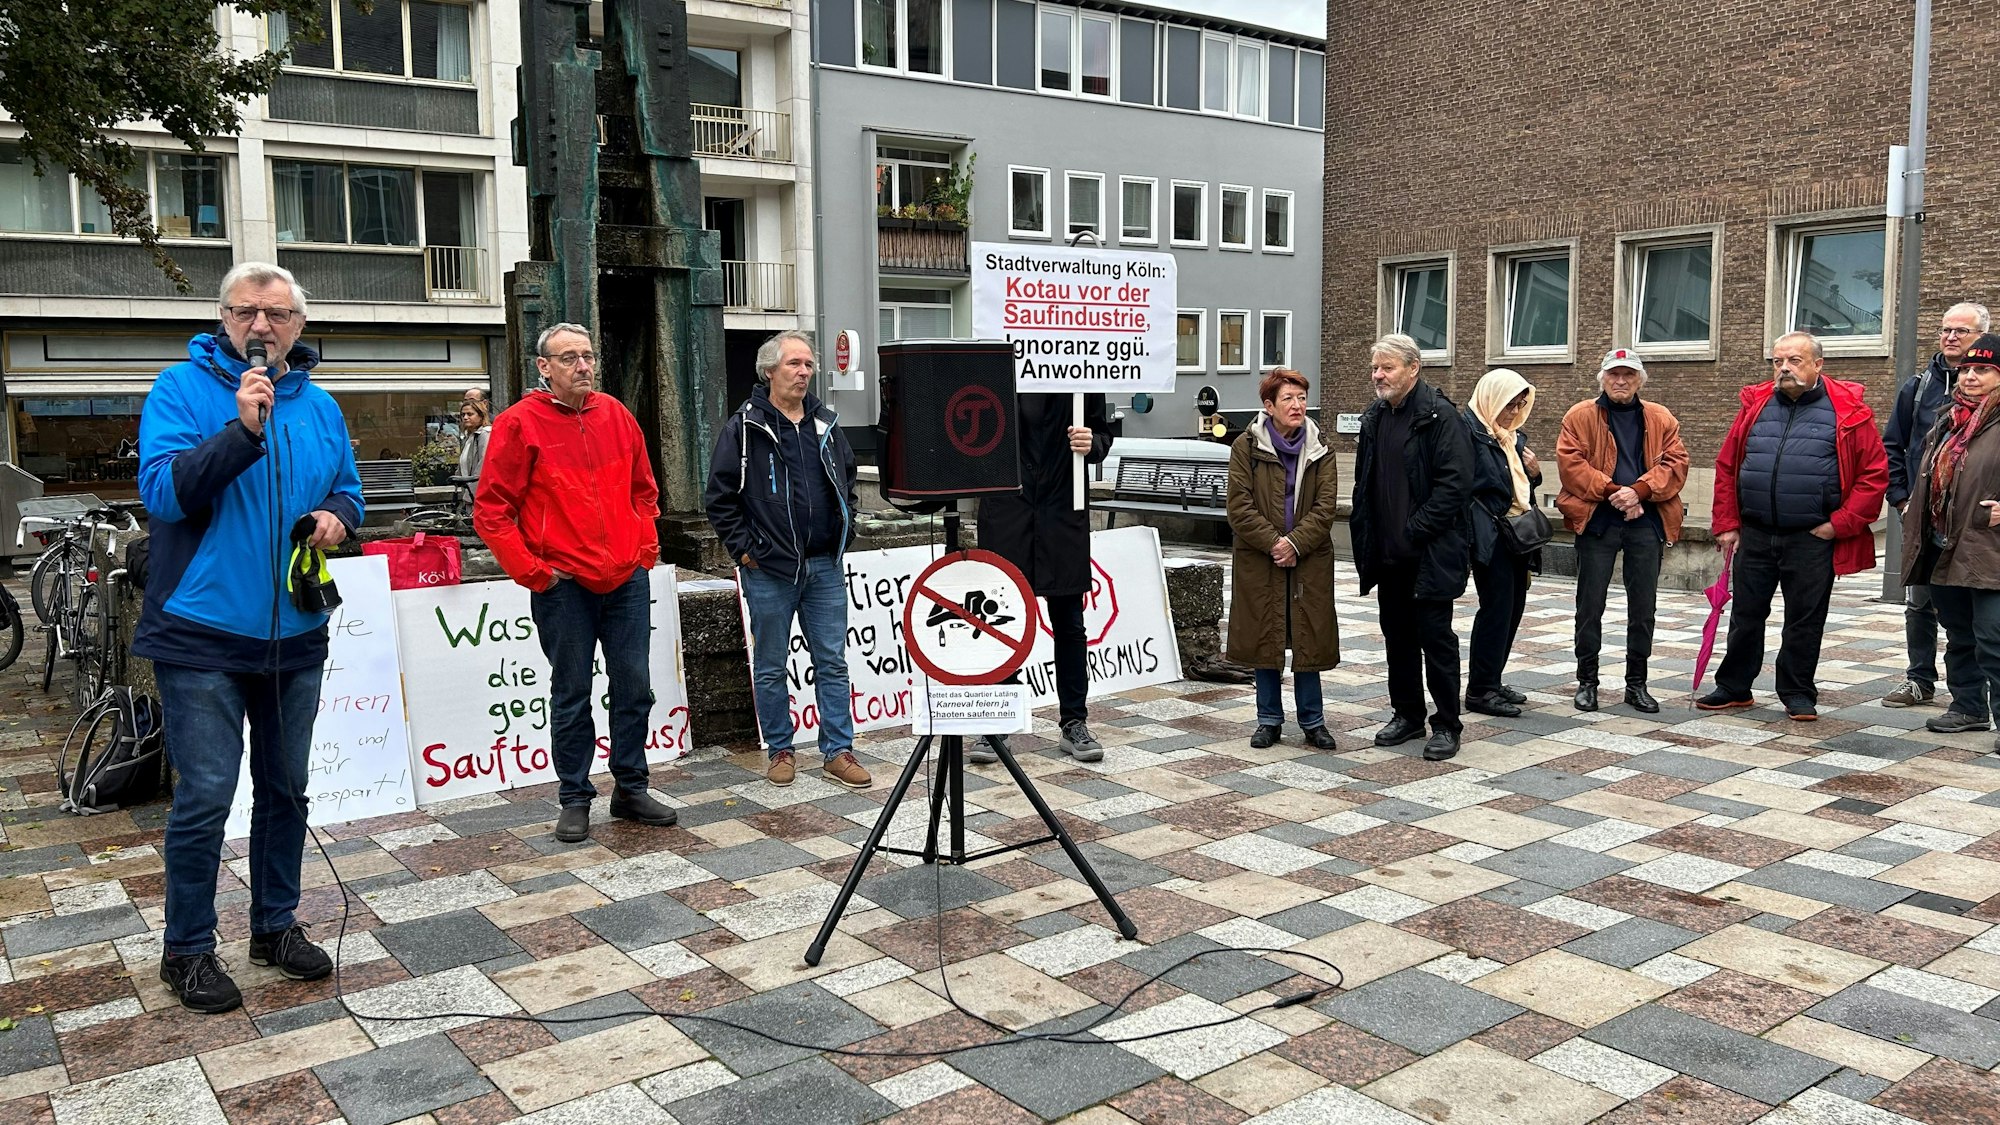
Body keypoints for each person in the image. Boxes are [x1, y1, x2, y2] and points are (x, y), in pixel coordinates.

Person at [134, 261, 363, 1013]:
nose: (261, 326)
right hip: (201, 633)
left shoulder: (322, 406)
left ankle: (274, 925)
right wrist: (241, 429)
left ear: (298, 325)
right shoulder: (179, 389)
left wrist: (337, 516)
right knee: (203, 796)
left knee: (287, 788)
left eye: (276, 314)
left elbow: (349, 492)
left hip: (294, 630)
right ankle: (188, 949)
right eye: (246, 312)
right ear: (223, 319)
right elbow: (164, 492)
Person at [474, 323, 678, 842]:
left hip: (624, 576)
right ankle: (574, 795)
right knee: (571, 692)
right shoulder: (518, 424)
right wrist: (535, 572)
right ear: (544, 367)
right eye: (569, 358)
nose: (582, 366)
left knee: (633, 685)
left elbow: (644, 489)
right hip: (563, 584)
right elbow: (492, 511)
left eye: (587, 356)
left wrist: (644, 549)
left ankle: (630, 786)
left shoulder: (616, 414)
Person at [703, 330, 872, 789]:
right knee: (772, 665)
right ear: (769, 371)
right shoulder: (745, 427)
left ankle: (838, 750)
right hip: (770, 571)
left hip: (823, 566)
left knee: (833, 662)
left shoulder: (826, 422)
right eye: (794, 364)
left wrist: (846, 527)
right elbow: (719, 498)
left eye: (808, 365)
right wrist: (744, 549)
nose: (804, 372)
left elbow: (848, 483)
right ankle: (780, 749)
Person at [1700, 331, 1888, 721]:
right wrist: (1727, 522)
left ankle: (1798, 691)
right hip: (1755, 532)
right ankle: (1734, 687)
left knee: (1804, 619)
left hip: (1811, 536)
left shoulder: (1849, 411)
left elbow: (1873, 474)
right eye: (1777, 361)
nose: (1784, 368)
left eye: (1794, 360)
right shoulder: (1755, 406)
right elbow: (1727, 466)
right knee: (1746, 615)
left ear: (1818, 365)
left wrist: (1839, 525)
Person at [970, 391, 1115, 765]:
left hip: (1062, 511)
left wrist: (1093, 442)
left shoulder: (1078, 375)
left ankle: (1074, 722)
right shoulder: (996, 371)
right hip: (1008, 512)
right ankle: (997, 723)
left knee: (1069, 622)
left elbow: (1101, 434)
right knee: (1003, 621)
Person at [1351, 333, 1473, 761]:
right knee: (1397, 639)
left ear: (1414, 368)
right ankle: (1406, 714)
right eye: (1375, 368)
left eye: (1387, 367)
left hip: (1428, 556)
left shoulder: (1440, 417)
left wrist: (1414, 530)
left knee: (1436, 641)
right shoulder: (1376, 417)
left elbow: (1455, 487)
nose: (1378, 375)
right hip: (1388, 557)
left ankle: (1447, 725)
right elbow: (1364, 483)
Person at [1555, 349, 1690, 713]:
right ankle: (1587, 681)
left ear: (1640, 380)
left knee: (1643, 606)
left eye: (1629, 375)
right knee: (1589, 605)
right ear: (1602, 378)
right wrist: (1616, 492)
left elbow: (1676, 463)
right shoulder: (1580, 416)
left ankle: (1637, 684)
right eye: (1614, 374)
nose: (1620, 381)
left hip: (1647, 520)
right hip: (1598, 521)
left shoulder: (1660, 417)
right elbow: (1572, 467)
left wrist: (1640, 491)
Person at [1882, 302, 1990, 708]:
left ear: (1982, 338)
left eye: (1961, 331)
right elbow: (1893, 446)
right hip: (1925, 520)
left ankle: (1975, 697)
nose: (1950, 337)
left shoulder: (1992, 391)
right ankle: (1919, 679)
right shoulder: (1919, 386)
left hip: (1978, 528)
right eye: (1946, 330)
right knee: (1921, 602)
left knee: (1976, 616)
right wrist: (1902, 499)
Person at [1226, 369, 1341, 749]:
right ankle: (1268, 720)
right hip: (1260, 559)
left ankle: (1314, 721)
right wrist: (1275, 543)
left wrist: (1295, 544)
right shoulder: (1246, 446)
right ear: (1269, 406)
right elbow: (1239, 507)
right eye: (1288, 398)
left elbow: (1326, 508)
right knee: (1266, 635)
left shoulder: (1320, 446)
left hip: (1308, 559)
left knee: (1307, 635)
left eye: (1302, 398)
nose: (1297, 405)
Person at [1901, 332, 2000, 741]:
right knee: (1959, 633)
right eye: (1966, 370)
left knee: (1994, 638)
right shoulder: (1949, 419)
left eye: (1983, 370)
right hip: (1945, 545)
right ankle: (1969, 708)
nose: (1971, 377)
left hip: (1990, 549)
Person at [1463, 370, 1542, 718]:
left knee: (1513, 608)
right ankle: (1479, 690)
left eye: (1520, 404)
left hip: (1516, 535)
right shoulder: (1470, 434)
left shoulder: (1511, 438)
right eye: (1509, 404)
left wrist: (1535, 473)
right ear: (1492, 399)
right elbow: (1472, 485)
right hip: (1490, 534)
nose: (1513, 412)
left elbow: (1522, 490)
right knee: (1495, 608)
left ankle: (1492, 679)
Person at [456, 391, 491, 498]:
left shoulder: (485, 434)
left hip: (479, 495)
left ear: (481, 416)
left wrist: (474, 493)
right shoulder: (469, 436)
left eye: (470, 414)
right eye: (463, 415)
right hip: (469, 494)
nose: (465, 418)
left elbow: (483, 466)